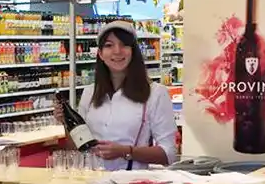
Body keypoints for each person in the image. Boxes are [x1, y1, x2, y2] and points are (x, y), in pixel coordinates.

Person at [58, 20, 178, 171]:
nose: (117, 51)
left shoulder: (155, 93)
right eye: (109, 45)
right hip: (91, 180)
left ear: (133, 51)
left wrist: (125, 151)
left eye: (124, 45)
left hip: (131, 182)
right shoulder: (89, 93)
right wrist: (65, 122)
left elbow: (169, 154)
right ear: (100, 54)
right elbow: (77, 149)